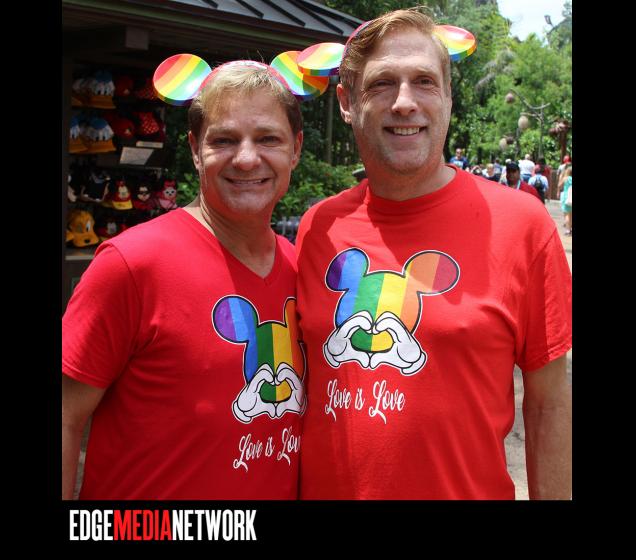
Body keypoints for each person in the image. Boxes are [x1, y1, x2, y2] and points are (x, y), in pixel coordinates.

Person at [295, 8, 571, 500]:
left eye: (424, 81)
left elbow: (549, 406)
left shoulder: (523, 226)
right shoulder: (319, 228)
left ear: (447, 97)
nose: (405, 102)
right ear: (347, 102)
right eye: (382, 83)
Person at [62, 62, 306, 499]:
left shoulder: (299, 269)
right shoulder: (132, 264)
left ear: (296, 149)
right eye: (224, 140)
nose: (246, 158)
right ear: (195, 149)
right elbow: (66, 416)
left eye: (268, 138)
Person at [559, 165, 573, 235]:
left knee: (567, 214)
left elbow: (559, 186)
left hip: (567, 197)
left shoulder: (566, 178)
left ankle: (568, 230)